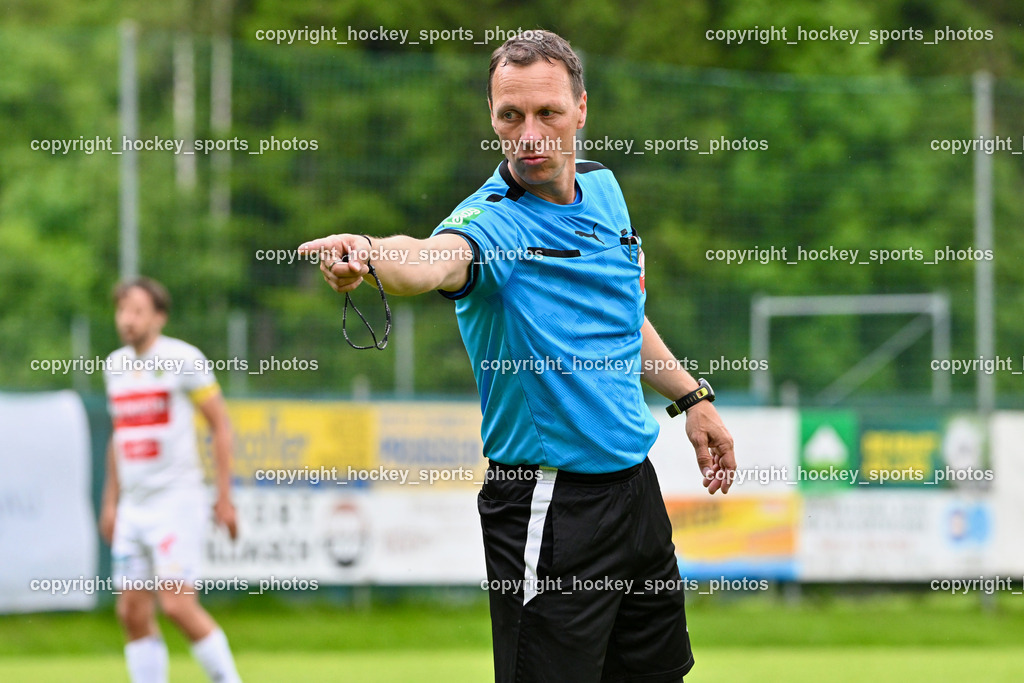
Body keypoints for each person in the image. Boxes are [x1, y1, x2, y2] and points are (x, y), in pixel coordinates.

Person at [299, 30, 737, 683]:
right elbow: (431, 259)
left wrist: (690, 397)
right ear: (493, 119)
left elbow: (620, 317)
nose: (529, 133)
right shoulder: (492, 224)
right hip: (549, 502)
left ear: (580, 110)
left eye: (547, 113)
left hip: (635, 489)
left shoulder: (605, 190)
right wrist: (368, 251)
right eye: (510, 116)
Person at [100, 277, 243, 683]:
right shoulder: (114, 366)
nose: (128, 320)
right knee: (131, 611)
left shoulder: (183, 359)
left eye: (138, 311)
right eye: (122, 310)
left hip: (176, 502)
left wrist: (224, 497)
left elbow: (221, 426)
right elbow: (119, 437)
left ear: (159, 317)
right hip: (134, 507)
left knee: (178, 606)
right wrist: (111, 503)